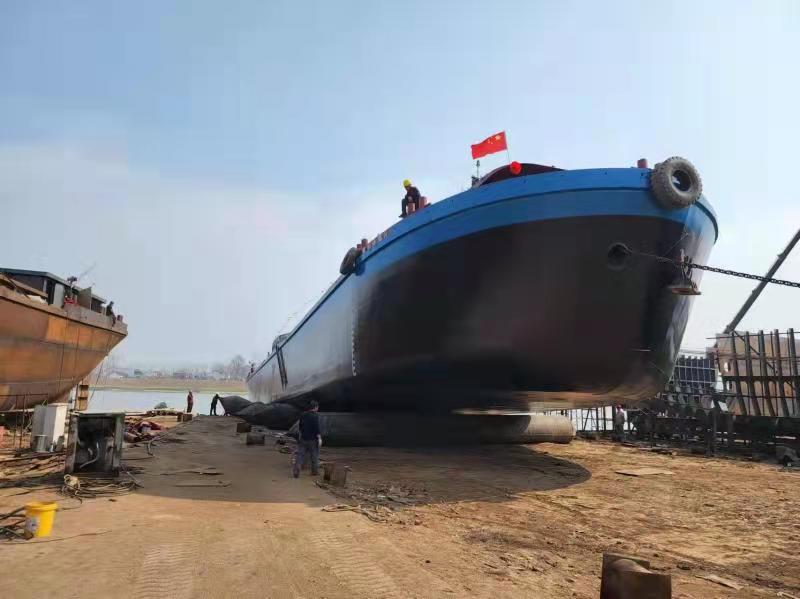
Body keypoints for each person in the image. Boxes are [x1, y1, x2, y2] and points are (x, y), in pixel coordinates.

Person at [293, 400, 322, 478]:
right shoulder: (315, 416)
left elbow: (300, 426)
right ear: (315, 407)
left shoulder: (303, 415)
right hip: (312, 440)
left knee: (300, 455)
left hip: (303, 438)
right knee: (314, 456)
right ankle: (314, 472)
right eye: (317, 407)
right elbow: (316, 428)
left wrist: (301, 434)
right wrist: (319, 437)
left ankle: (296, 470)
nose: (318, 408)